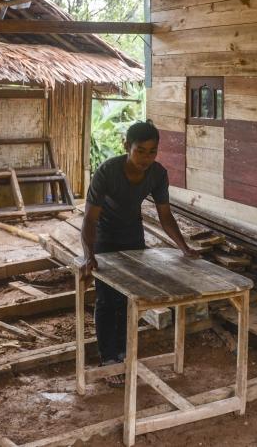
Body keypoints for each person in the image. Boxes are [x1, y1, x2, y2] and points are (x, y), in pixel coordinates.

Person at [80, 120, 197, 386]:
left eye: (152, 151)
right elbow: (89, 220)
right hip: (105, 239)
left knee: (129, 299)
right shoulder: (107, 172)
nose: (146, 158)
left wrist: (184, 247)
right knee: (107, 299)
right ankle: (109, 359)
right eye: (140, 151)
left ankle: (123, 353)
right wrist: (89, 255)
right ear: (126, 147)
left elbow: (165, 216)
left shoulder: (158, 174)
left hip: (133, 236)